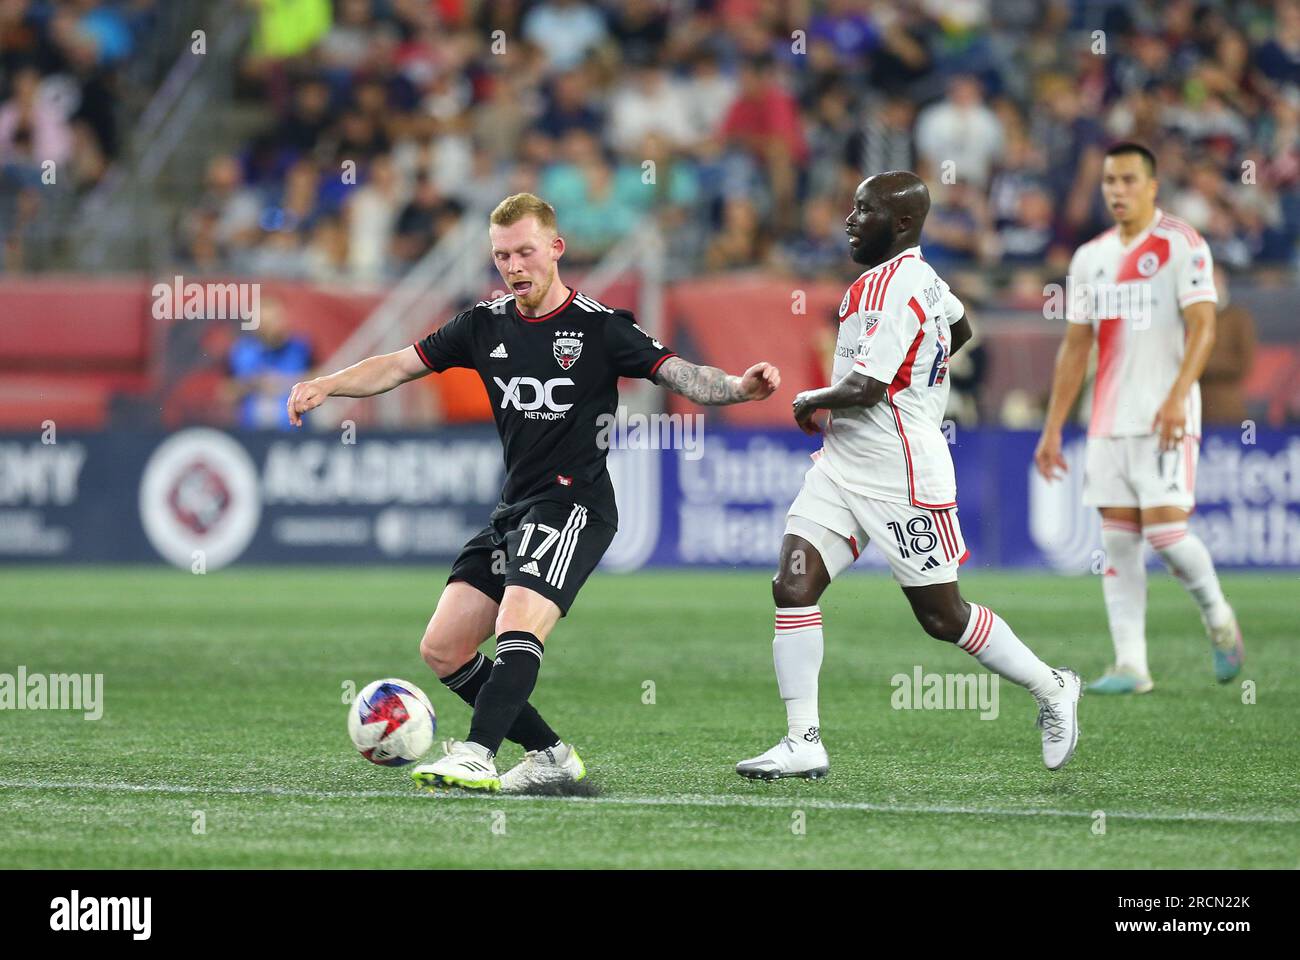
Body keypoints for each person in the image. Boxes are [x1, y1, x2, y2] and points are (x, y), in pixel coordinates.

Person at [287, 193, 780, 792]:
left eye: (525, 251)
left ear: (555, 249)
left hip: (576, 505)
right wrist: (327, 385)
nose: (514, 265)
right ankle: (548, 755)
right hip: (514, 509)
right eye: (501, 256)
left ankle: (477, 753)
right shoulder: (483, 324)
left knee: (520, 624)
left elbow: (683, 376)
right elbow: (399, 365)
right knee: (443, 649)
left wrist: (739, 387)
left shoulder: (602, 328)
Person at [735, 172, 1082, 781]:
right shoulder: (916, 279)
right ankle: (803, 740)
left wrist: (807, 399)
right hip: (844, 466)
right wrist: (922, 377)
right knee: (792, 585)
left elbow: (867, 387)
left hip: (902, 472)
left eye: (862, 210)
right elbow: (960, 329)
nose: (848, 219)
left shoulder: (894, 287)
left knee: (942, 618)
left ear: (899, 224)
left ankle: (1052, 686)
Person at [1033, 142, 1243, 695]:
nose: (1117, 191)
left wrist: (1178, 396)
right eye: (1109, 181)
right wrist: (1053, 427)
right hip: (1106, 420)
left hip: (1164, 415)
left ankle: (1220, 619)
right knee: (1119, 540)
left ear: (1152, 186)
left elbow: (1204, 327)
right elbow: (1075, 349)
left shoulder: (1181, 245)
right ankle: (1131, 665)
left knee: (1168, 535)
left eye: (1128, 180)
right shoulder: (1089, 257)